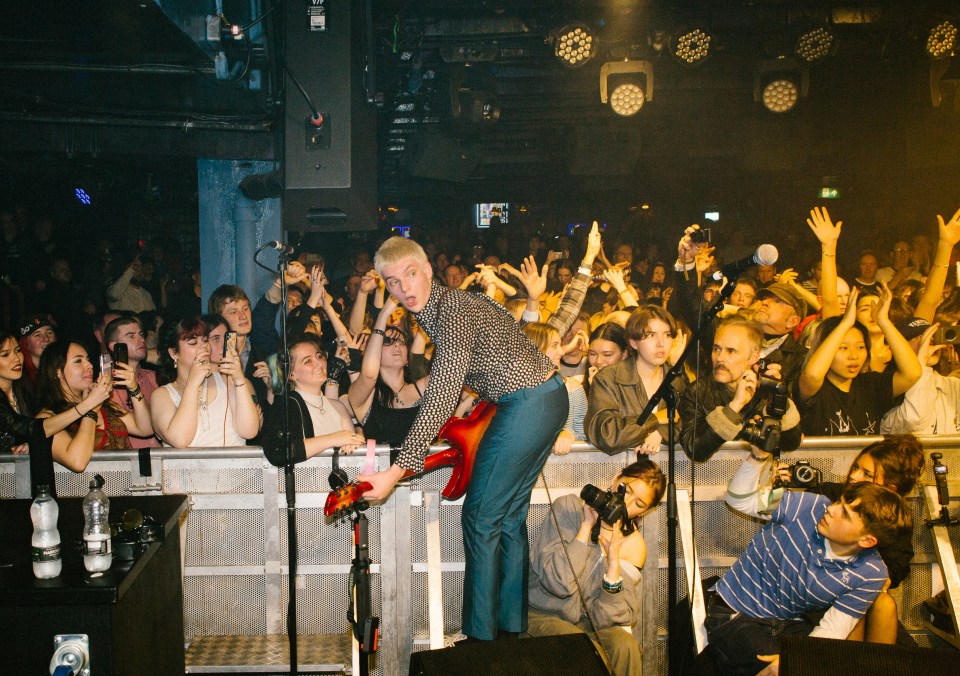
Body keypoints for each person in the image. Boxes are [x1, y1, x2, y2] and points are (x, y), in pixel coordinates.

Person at [358, 235, 569, 643]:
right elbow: (510, 338)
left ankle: (480, 637)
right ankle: (509, 627)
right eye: (393, 282)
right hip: (546, 397)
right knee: (507, 518)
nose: (404, 288)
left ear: (428, 270)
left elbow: (441, 395)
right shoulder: (457, 305)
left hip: (527, 403)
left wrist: (396, 471)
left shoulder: (452, 312)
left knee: (480, 517)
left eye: (411, 274)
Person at [708, 447, 911, 675]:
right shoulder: (807, 504)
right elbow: (740, 500)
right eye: (840, 503)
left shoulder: (871, 574)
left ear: (866, 541)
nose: (832, 509)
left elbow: (832, 630)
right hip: (734, 612)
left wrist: (797, 659)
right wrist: (756, 457)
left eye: (845, 513)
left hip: (789, 624)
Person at [526, 459, 666, 676]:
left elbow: (611, 620)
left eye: (639, 504)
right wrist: (585, 529)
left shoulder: (633, 545)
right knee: (586, 652)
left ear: (645, 512)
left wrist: (613, 567)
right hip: (539, 615)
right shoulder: (569, 508)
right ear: (616, 478)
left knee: (624, 646)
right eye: (626, 490)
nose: (626, 504)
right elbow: (559, 584)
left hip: (586, 625)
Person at [795, 285, 921, 436]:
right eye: (843, 348)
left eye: (860, 347)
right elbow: (812, 375)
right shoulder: (815, 389)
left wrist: (884, 321)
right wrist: (845, 324)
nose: (854, 356)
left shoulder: (870, 385)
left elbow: (912, 373)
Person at [678, 317, 802, 462]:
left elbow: (791, 443)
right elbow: (695, 450)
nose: (720, 358)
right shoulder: (697, 391)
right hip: (711, 479)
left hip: (757, 477)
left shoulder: (764, 392)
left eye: (731, 351)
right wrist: (734, 406)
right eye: (716, 349)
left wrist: (778, 399)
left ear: (753, 356)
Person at [585, 306, 686, 456]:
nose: (661, 343)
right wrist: (654, 420)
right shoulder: (608, 378)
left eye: (667, 335)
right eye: (651, 335)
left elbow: (686, 423)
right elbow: (606, 434)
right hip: (617, 471)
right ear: (633, 342)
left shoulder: (675, 379)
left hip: (660, 473)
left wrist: (662, 432)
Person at [35, 341, 151, 468]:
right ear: (57, 371)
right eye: (78, 361)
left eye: (88, 360)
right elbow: (77, 462)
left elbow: (145, 429)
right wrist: (91, 409)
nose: (89, 365)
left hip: (125, 483)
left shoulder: (103, 404)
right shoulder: (48, 418)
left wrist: (134, 388)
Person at [150, 316, 260, 447]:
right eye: (193, 343)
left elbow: (249, 431)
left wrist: (239, 379)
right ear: (174, 353)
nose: (204, 347)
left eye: (205, 340)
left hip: (234, 466)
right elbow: (180, 440)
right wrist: (193, 384)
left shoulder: (226, 380)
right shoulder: (162, 395)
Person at [261, 334, 364, 466]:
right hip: (304, 484)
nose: (319, 364)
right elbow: (277, 452)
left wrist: (354, 445)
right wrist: (333, 439)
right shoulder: (286, 404)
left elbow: (354, 453)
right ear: (291, 374)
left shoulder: (337, 406)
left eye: (319, 356)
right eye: (308, 361)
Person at [348, 294, 427, 452]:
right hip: (381, 473)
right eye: (388, 342)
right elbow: (369, 375)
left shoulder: (421, 387)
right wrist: (383, 315)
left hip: (426, 474)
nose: (396, 346)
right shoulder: (365, 395)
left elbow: (451, 366)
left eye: (401, 342)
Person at [104, 316, 160, 447]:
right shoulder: (105, 385)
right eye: (131, 336)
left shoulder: (155, 377)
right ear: (114, 346)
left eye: (141, 334)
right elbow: (144, 428)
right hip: (131, 463)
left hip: (162, 460)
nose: (140, 339)